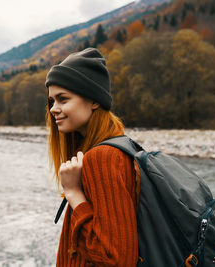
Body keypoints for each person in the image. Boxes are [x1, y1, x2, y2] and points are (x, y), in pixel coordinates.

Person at [45, 48, 139, 266]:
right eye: (52, 101)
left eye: (62, 99)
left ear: (94, 100)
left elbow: (116, 260)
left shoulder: (103, 157)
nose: (53, 109)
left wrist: (74, 193)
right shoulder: (117, 147)